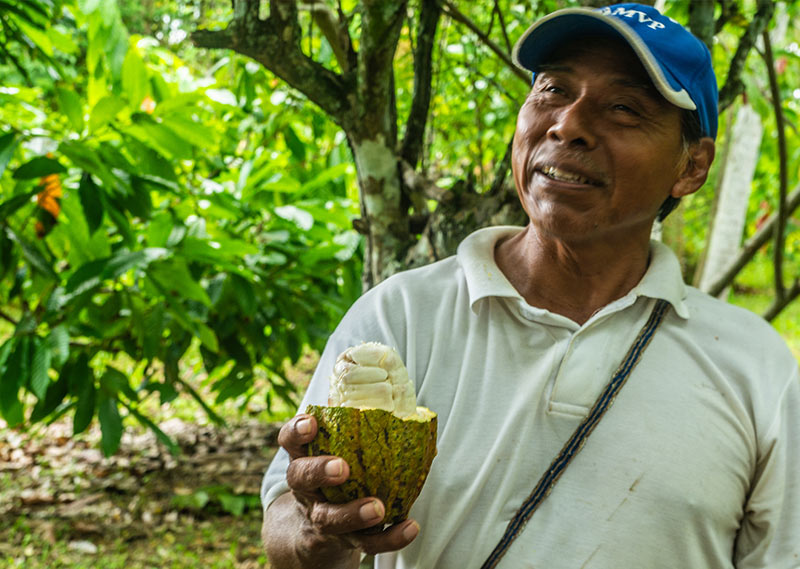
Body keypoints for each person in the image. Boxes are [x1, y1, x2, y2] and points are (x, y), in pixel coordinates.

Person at [260, 4, 800, 568]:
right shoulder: (401, 317)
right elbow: (286, 525)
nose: (567, 124)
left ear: (691, 166)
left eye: (623, 107)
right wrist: (317, 528)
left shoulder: (753, 366)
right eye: (552, 89)